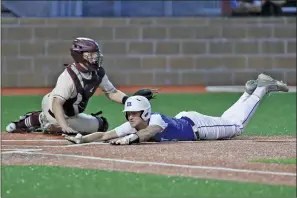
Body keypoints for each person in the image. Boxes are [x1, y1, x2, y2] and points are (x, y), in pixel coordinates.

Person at [63, 73, 289, 145]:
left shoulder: (156, 120)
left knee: (235, 126)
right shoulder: (133, 124)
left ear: (145, 113)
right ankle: (248, 92)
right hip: (189, 121)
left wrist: (130, 139)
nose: (130, 117)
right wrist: (82, 138)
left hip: (198, 127)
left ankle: (260, 89)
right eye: (128, 114)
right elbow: (105, 134)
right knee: (227, 120)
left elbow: (149, 133)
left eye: (133, 114)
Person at [6, 37, 156, 134]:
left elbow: (111, 92)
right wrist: (64, 125)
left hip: (71, 112)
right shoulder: (69, 76)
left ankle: (44, 121)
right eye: (90, 54)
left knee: (101, 125)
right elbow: (57, 102)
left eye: (95, 54)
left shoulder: (97, 72)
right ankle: (42, 120)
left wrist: (130, 100)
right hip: (54, 109)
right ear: (79, 56)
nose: (95, 57)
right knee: (69, 129)